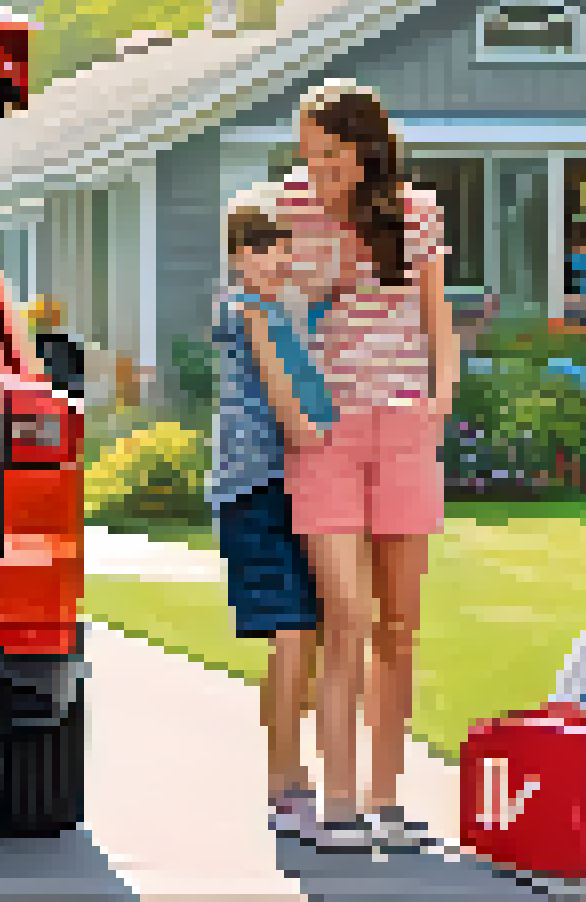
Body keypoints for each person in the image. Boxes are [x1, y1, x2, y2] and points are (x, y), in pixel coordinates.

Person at [270, 80, 456, 853]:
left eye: (329, 155)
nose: (315, 169)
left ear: (364, 150)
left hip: (404, 430)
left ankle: (386, 799)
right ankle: (337, 802)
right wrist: (328, 265)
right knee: (344, 616)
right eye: (308, 155)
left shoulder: (417, 212)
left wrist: (440, 400)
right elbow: (279, 309)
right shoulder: (291, 205)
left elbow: (436, 314)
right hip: (327, 436)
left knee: (398, 628)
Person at [211, 203, 335, 841]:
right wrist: (311, 432)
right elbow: (281, 393)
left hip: (286, 488)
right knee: (293, 630)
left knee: (301, 635)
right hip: (253, 490)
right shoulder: (244, 311)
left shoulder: (278, 312)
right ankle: (286, 787)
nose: (274, 259)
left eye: (282, 247)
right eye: (259, 249)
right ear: (237, 258)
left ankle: (288, 778)